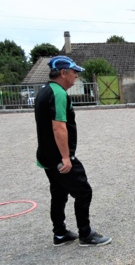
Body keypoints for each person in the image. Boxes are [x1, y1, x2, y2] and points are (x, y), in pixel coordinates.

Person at [34, 56, 112, 246]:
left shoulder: (44, 90)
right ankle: (85, 234)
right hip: (58, 156)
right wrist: (66, 158)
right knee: (83, 192)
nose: (76, 76)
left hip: (46, 155)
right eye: (74, 72)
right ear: (63, 73)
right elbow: (58, 127)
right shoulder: (58, 93)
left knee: (59, 193)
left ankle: (60, 233)